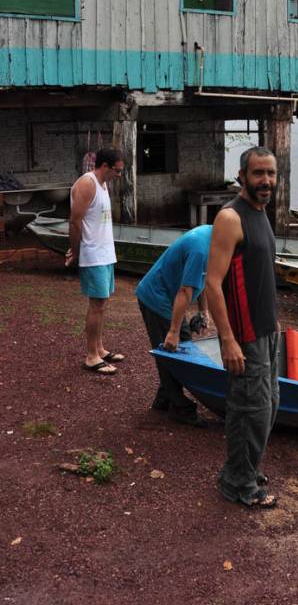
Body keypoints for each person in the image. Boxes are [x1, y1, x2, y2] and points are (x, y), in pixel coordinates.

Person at [205, 146, 279, 509]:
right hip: (245, 335)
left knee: (267, 407)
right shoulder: (231, 217)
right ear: (242, 176)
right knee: (250, 410)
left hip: (267, 331)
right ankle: (238, 482)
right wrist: (228, 339)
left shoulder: (261, 212)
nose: (265, 181)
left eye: (271, 174)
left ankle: (244, 468)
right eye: (258, 174)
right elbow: (212, 283)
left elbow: (256, 276)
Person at [135, 225, 212, 428]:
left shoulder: (213, 238)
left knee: (182, 349)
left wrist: (203, 312)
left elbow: (203, 278)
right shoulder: (200, 248)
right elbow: (186, 290)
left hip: (170, 297)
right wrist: (173, 331)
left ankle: (164, 399)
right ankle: (179, 408)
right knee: (174, 352)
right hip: (156, 297)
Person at [65, 147, 125, 374]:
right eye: (117, 171)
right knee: (96, 304)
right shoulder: (86, 184)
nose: (119, 175)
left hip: (106, 253)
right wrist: (75, 252)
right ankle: (91, 356)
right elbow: (74, 222)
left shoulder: (103, 184)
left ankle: (99, 348)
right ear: (105, 166)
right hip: (93, 254)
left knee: (102, 304)